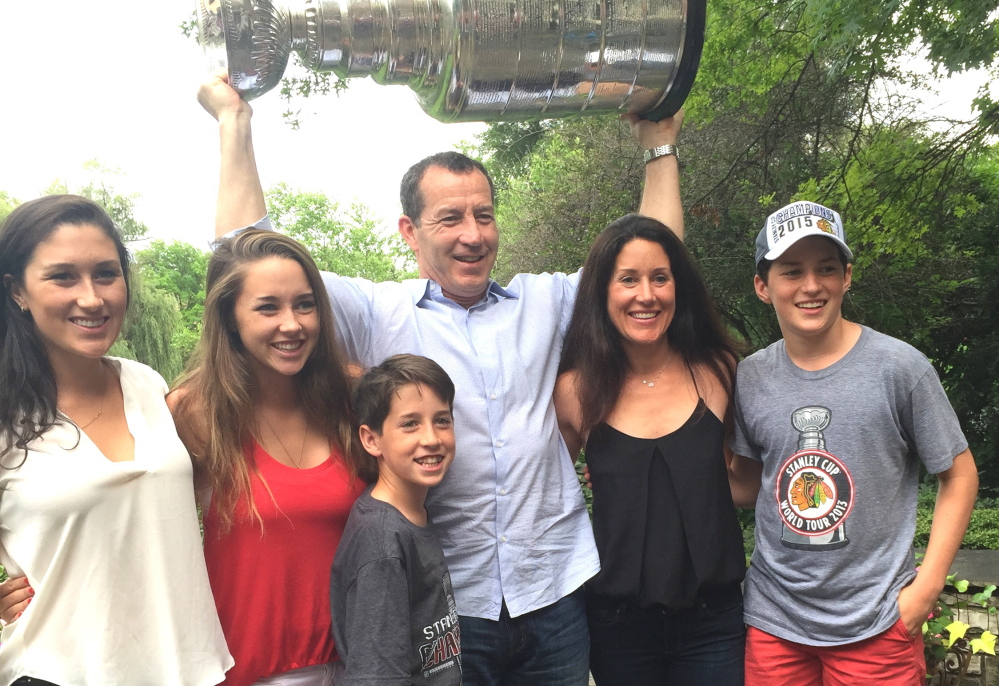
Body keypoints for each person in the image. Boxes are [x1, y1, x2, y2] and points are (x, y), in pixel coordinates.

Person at [198, 71, 685, 686]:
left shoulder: (545, 303)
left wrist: (660, 146)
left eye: (484, 215)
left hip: (554, 590)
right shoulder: (377, 312)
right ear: (410, 232)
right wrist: (233, 124)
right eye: (450, 218)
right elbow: (247, 252)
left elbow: (651, 259)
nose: (473, 234)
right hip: (445, 600)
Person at [728, 200, 979, 685]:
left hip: (878, 622)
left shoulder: (900, 368)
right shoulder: (749, 378)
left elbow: (960, 474)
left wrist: (926, 588)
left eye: (826, 268)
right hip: (774, 622)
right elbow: (746, 485)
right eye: (791, 271)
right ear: (763, 286)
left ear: (847, 276)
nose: (810, 285)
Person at [0, 195, 232, 686]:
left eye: (106, 273)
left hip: (184, 666)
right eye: (63, 276)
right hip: (57, 672)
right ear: (17, 291)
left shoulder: (148, 384)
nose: (92, 297)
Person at [169, 229, 369, 686]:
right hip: (250, 667)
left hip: (362, 662)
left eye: (305, 304)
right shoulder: (195, 413)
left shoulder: (353, 395)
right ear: (229, 317)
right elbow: (138, 527)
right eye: (267, 307)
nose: (292, 324)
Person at [554, 213, 747, 685]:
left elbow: (753, 476)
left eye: (660, 278)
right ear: (603, 291)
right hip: (618, 627)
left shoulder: (721, 371)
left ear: (677, 287)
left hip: (714, 623)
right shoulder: (577, 390)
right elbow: (545, 491)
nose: (646, 295)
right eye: (628, 280)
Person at [330, 354, 461, 686]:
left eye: (442, 420)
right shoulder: (383, 541)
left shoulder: (411, 514)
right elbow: (377, 674)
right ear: (372, 439)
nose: (431, 438)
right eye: (410, 424)